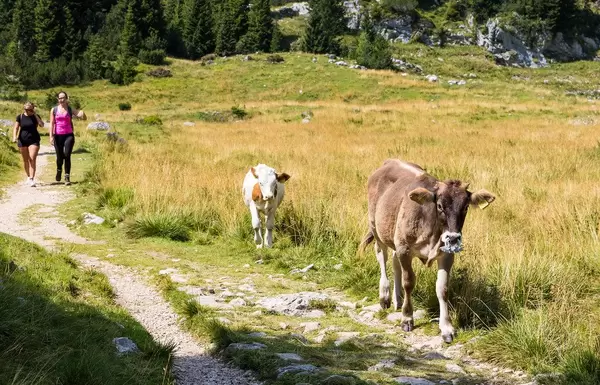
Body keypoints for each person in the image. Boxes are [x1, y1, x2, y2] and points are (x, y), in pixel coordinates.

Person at [49, 91, 86, 185]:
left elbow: (81, 116)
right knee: (59, 157)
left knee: (67, 155)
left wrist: (82, 114)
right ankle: (59, 169)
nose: (61, 100)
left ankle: (67, 177)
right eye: (60, 98)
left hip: (68, 135)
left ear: (66, 99)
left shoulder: (70, 109)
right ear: (58, 99)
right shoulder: (54, 110)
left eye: (63, 98)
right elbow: (52, 124)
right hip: (57, 136)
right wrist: (51, 136)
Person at [12, 102, 44, 187]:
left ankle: (32, 179)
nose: (28, 111)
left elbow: (42, 125)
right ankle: (28, 176)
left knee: (32, 158)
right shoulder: (20, 116)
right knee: (25, 160)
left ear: (33, 109)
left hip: (34, 140)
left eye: (30, 109)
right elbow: (16, 128)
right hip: (22, 141)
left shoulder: (35, 116)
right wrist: (14, 137)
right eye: (26, 109)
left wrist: (35, 115)